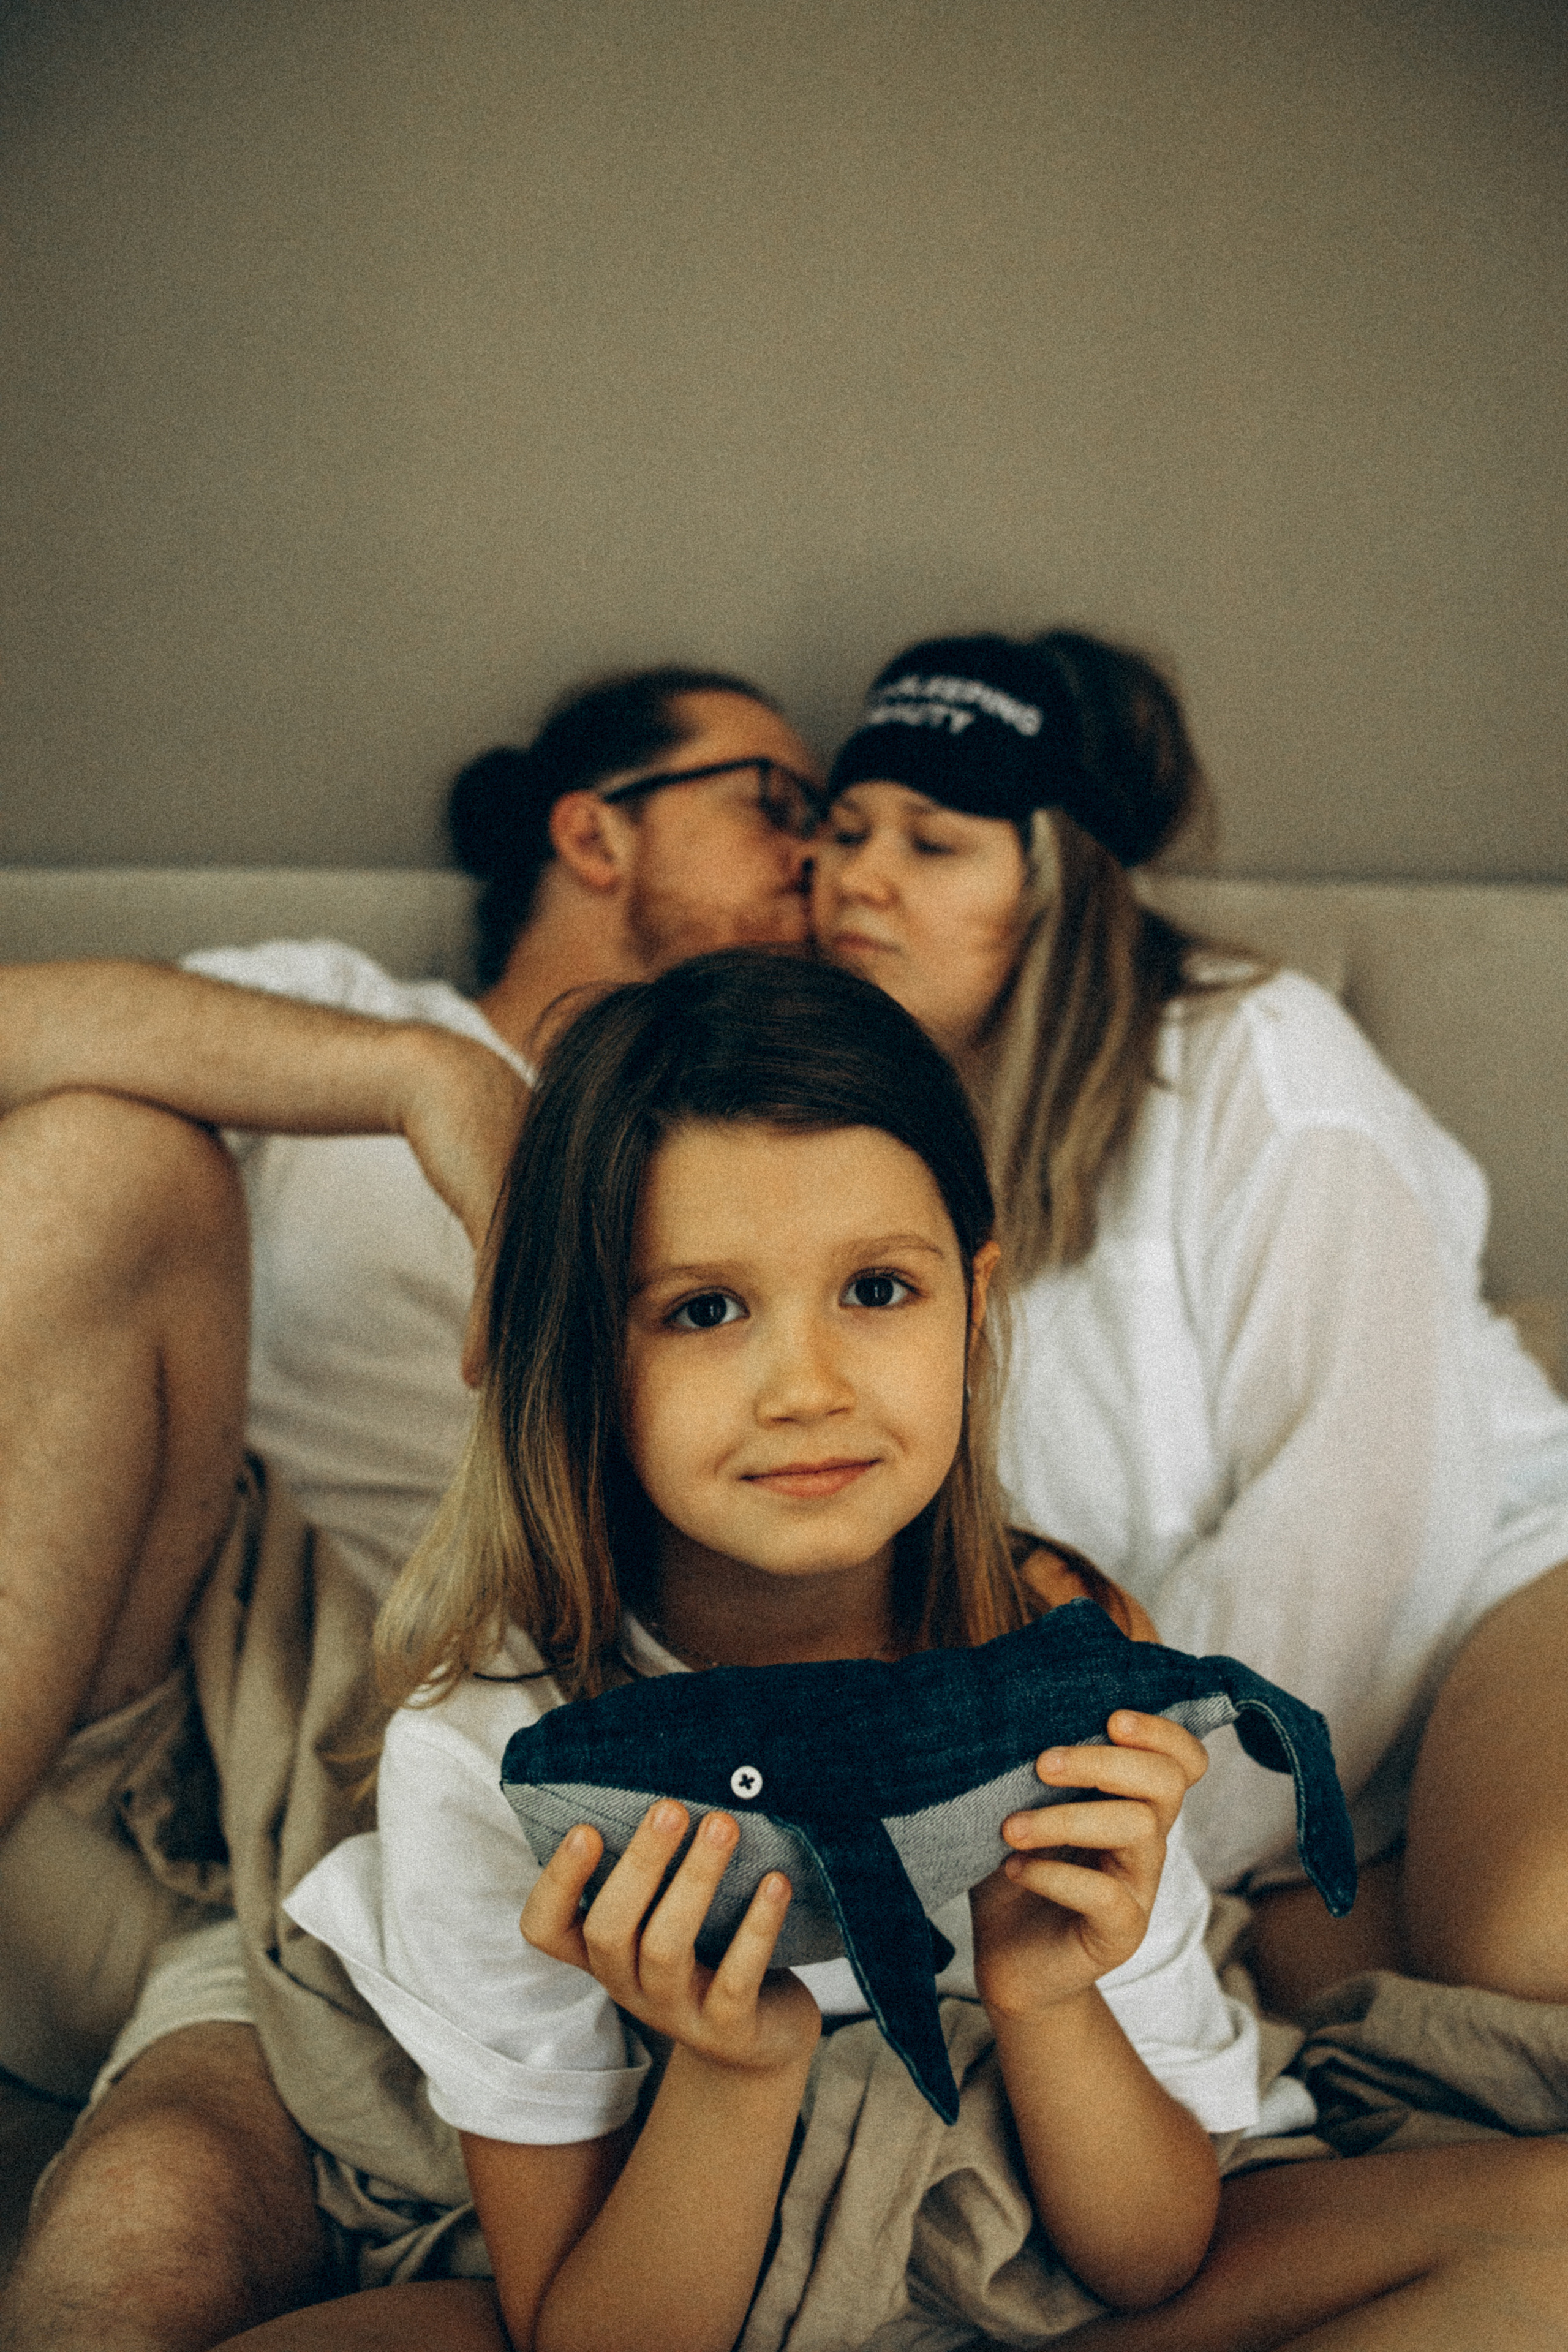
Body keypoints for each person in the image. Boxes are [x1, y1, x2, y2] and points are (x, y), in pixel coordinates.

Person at [256, 948, 1252, 2349]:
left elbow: (1151, 2256)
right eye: (704, 1310)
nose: (806, 1389)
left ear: (974, 1305)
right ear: (579, 1351)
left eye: (877, 1290)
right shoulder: (491, 1760)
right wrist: (737, 2067)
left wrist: (1045, 1991)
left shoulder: (1055, 1672)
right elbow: (589, 2337)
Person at [0, 667, 823, 2351]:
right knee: (108, 1163)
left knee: (142, 2240)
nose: (821, 860)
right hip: (140, 1728)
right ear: (593, 832)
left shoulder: (788, 1163)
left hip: (412, 1850)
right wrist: (422, 1080)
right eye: (775, 804)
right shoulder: (336, 1012)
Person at [812, 632, 1568, 2015]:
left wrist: (1164, 1833)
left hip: (1479, 1584)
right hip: (1206, 1712)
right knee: (1315, 1986)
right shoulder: (866, 1136)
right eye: (845, 828)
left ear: (1053, 883)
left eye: (932, 842)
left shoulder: (1257, 1058)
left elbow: (1353, 1512)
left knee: (1516, 1943)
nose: (856, 875)